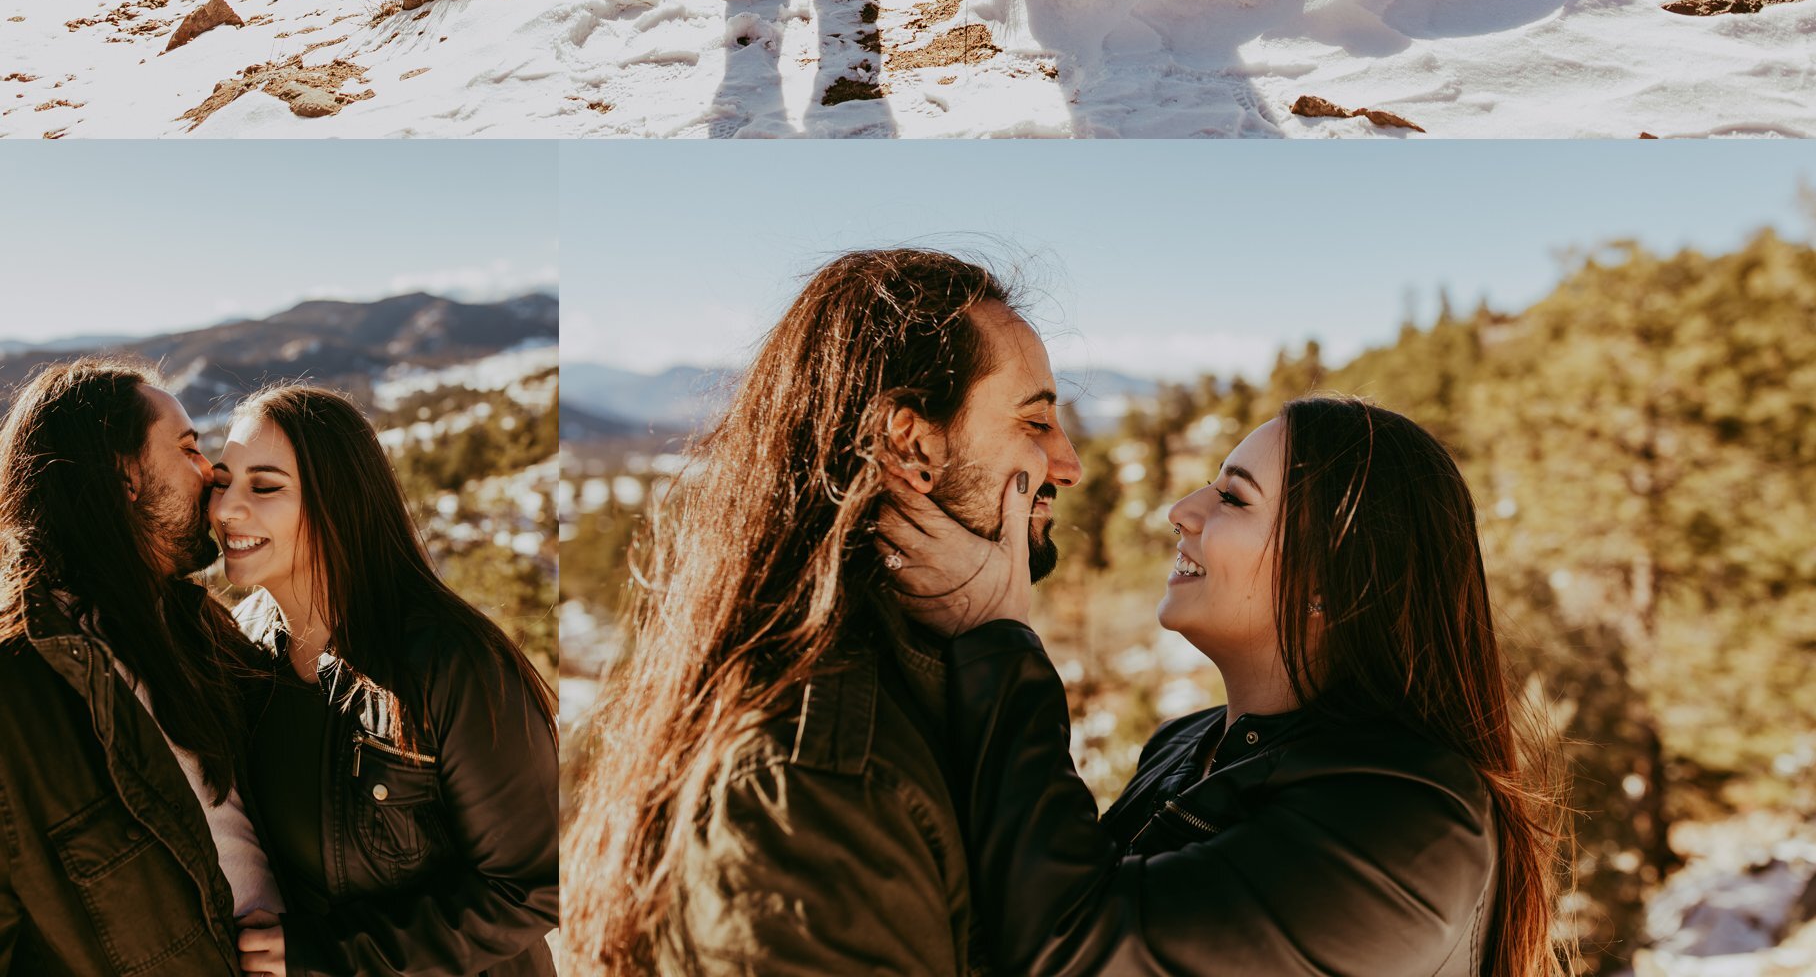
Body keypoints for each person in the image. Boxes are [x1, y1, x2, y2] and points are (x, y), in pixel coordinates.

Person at [883, 396, 1563, 977]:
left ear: (1332, 578)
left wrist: (994, 635)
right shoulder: (1186, 745)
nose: (1181, 510)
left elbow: (1075, 949)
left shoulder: (1410, 816)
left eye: (1233, 497)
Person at [563, 248, 1083, 976]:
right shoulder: (813, 787)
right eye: (1035, 424)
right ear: (911, 445)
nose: (1068, 464)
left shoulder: (929, 683)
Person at [213, 384, 558, 977]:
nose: (225, 508)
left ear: (339, 502)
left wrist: (330, 954)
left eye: (264, 487)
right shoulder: (238, 650)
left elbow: (529, 889)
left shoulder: (452, 663)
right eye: (222, 480)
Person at [0, 359, 284, 977]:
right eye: (188, 448)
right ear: (122, 475)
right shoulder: (18, 686)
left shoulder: (199, 628)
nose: (209, 473)